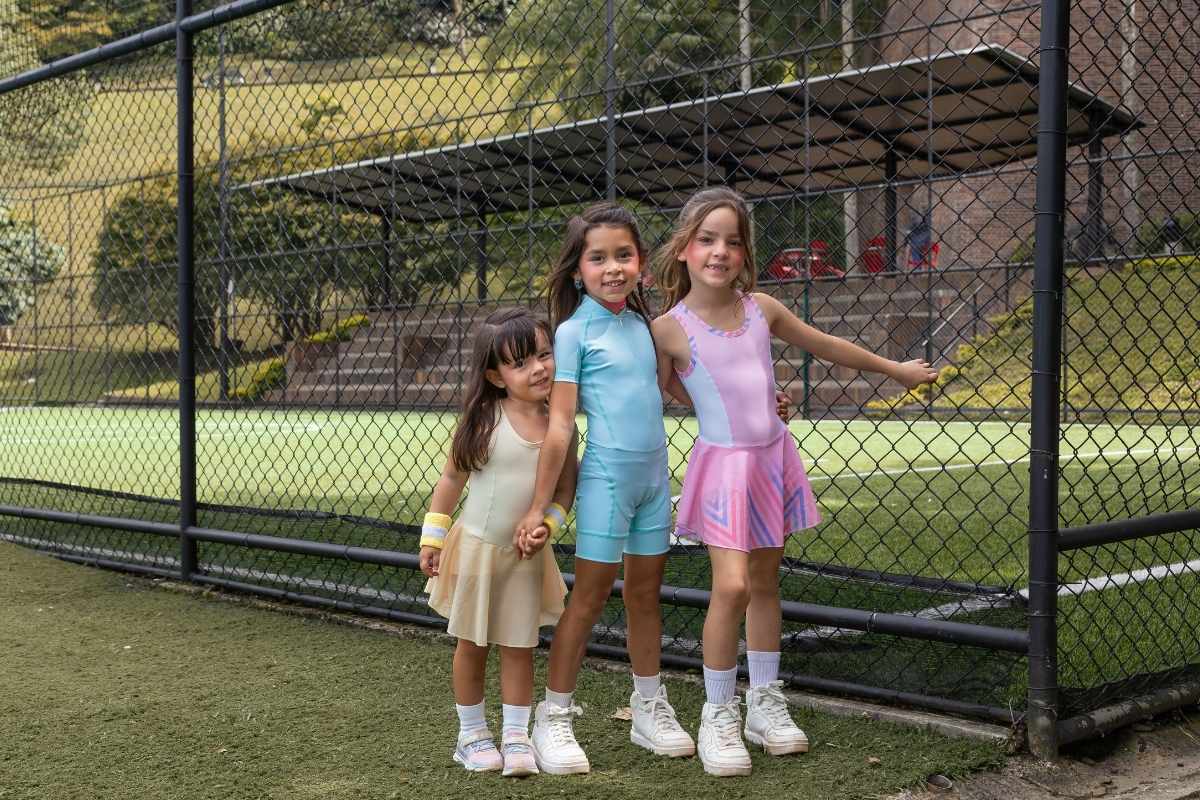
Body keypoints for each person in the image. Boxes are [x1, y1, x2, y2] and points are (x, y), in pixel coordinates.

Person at [651, 187, 939, 777]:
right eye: (707, 240)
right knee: (729, 587)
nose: (720, 251)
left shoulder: (761, 308)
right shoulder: (668, 329)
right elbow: (670, 387)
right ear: (683, 249)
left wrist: (895, 371)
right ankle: (718, 711)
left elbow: (825, 344)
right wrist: (724, 403)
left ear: (745, 252)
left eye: (732, 241)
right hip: (725, 468)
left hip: (771, 459)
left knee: (764, 582)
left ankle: (763, 701)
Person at [513, 202, 698, 774]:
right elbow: (563, 424)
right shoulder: (572, 333)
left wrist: (759, 406)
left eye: (624, 255)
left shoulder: (646, 326)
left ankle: (649, 707)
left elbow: (676, 390)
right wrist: (540, 504)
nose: (613, 267)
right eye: (599, 258)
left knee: (646, 595)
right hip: (605, 483)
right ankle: (555, 717)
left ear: (642, 263)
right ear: (578, 270)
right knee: (588, 599)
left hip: (651, 482)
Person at [419, 307, 578, 778]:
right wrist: (433, 534)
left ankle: (515, 734)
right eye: (522, 362)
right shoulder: (485, 417)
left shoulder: (561, 424)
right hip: (476, 551)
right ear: (495, 374)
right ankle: (471, 735)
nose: (539, 368)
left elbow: (564, 493)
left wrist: (546, 526)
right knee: (472, 644)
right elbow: (452, 477)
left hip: (526, 558)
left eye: (545, 355)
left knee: (520, 646)